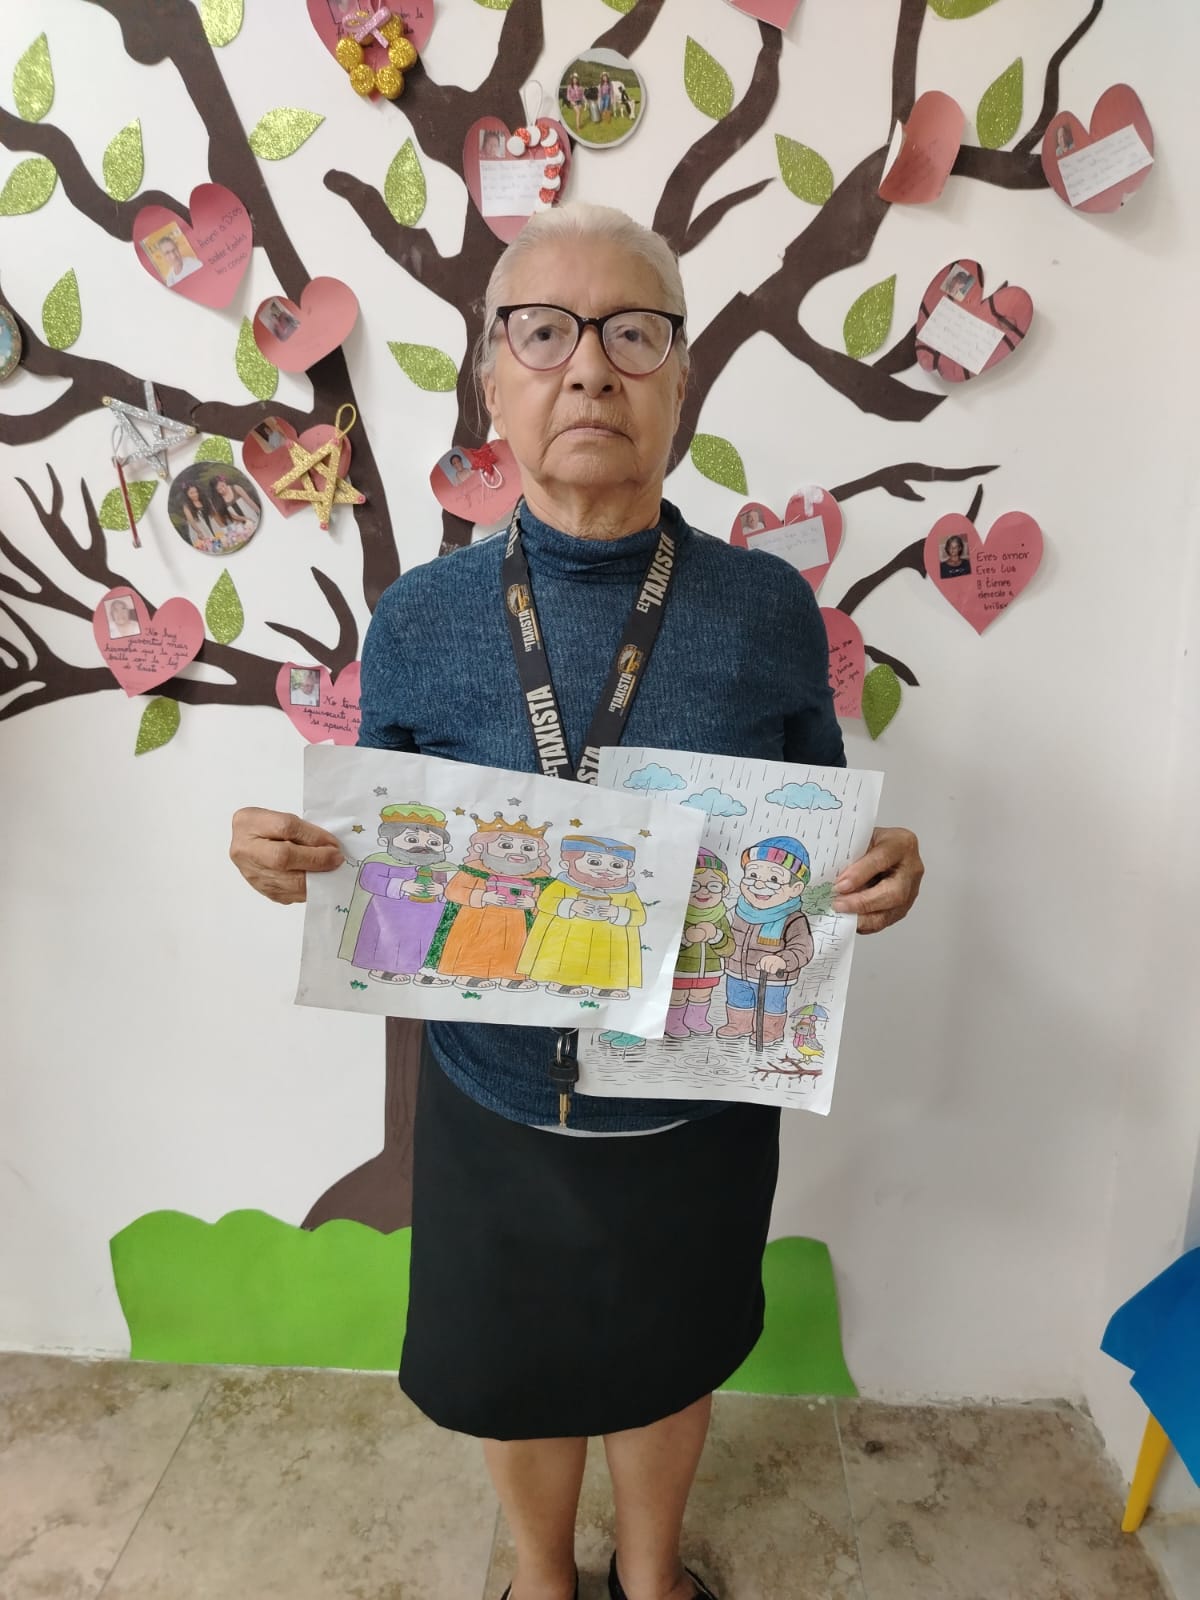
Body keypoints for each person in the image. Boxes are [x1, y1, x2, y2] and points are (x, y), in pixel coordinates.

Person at [229, 202, 924, 1600]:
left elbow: (812, 824)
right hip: (491, 1093)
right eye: (544, 333)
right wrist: (295, 857)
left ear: (680, 376)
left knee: (671, 1357)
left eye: (633, 333)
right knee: (517, 1371)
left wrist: (875, 870)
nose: (591, 366)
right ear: (493, 378)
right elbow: (382, 843)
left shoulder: (767, 611)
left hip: (696, 1100)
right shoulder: (422, 616)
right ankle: (544, 1579)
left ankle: (653, 1579)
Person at [212, 475, 260, 543]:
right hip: (239, 523)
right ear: (216, 491)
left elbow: (249, 501)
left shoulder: (235, 488)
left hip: (251, 514)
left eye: (223, 485)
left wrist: (258, 512)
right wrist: (245, 519)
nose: (223, 489)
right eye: (219, 489)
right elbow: (232, 516)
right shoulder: (220, 500)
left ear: (224, 481)